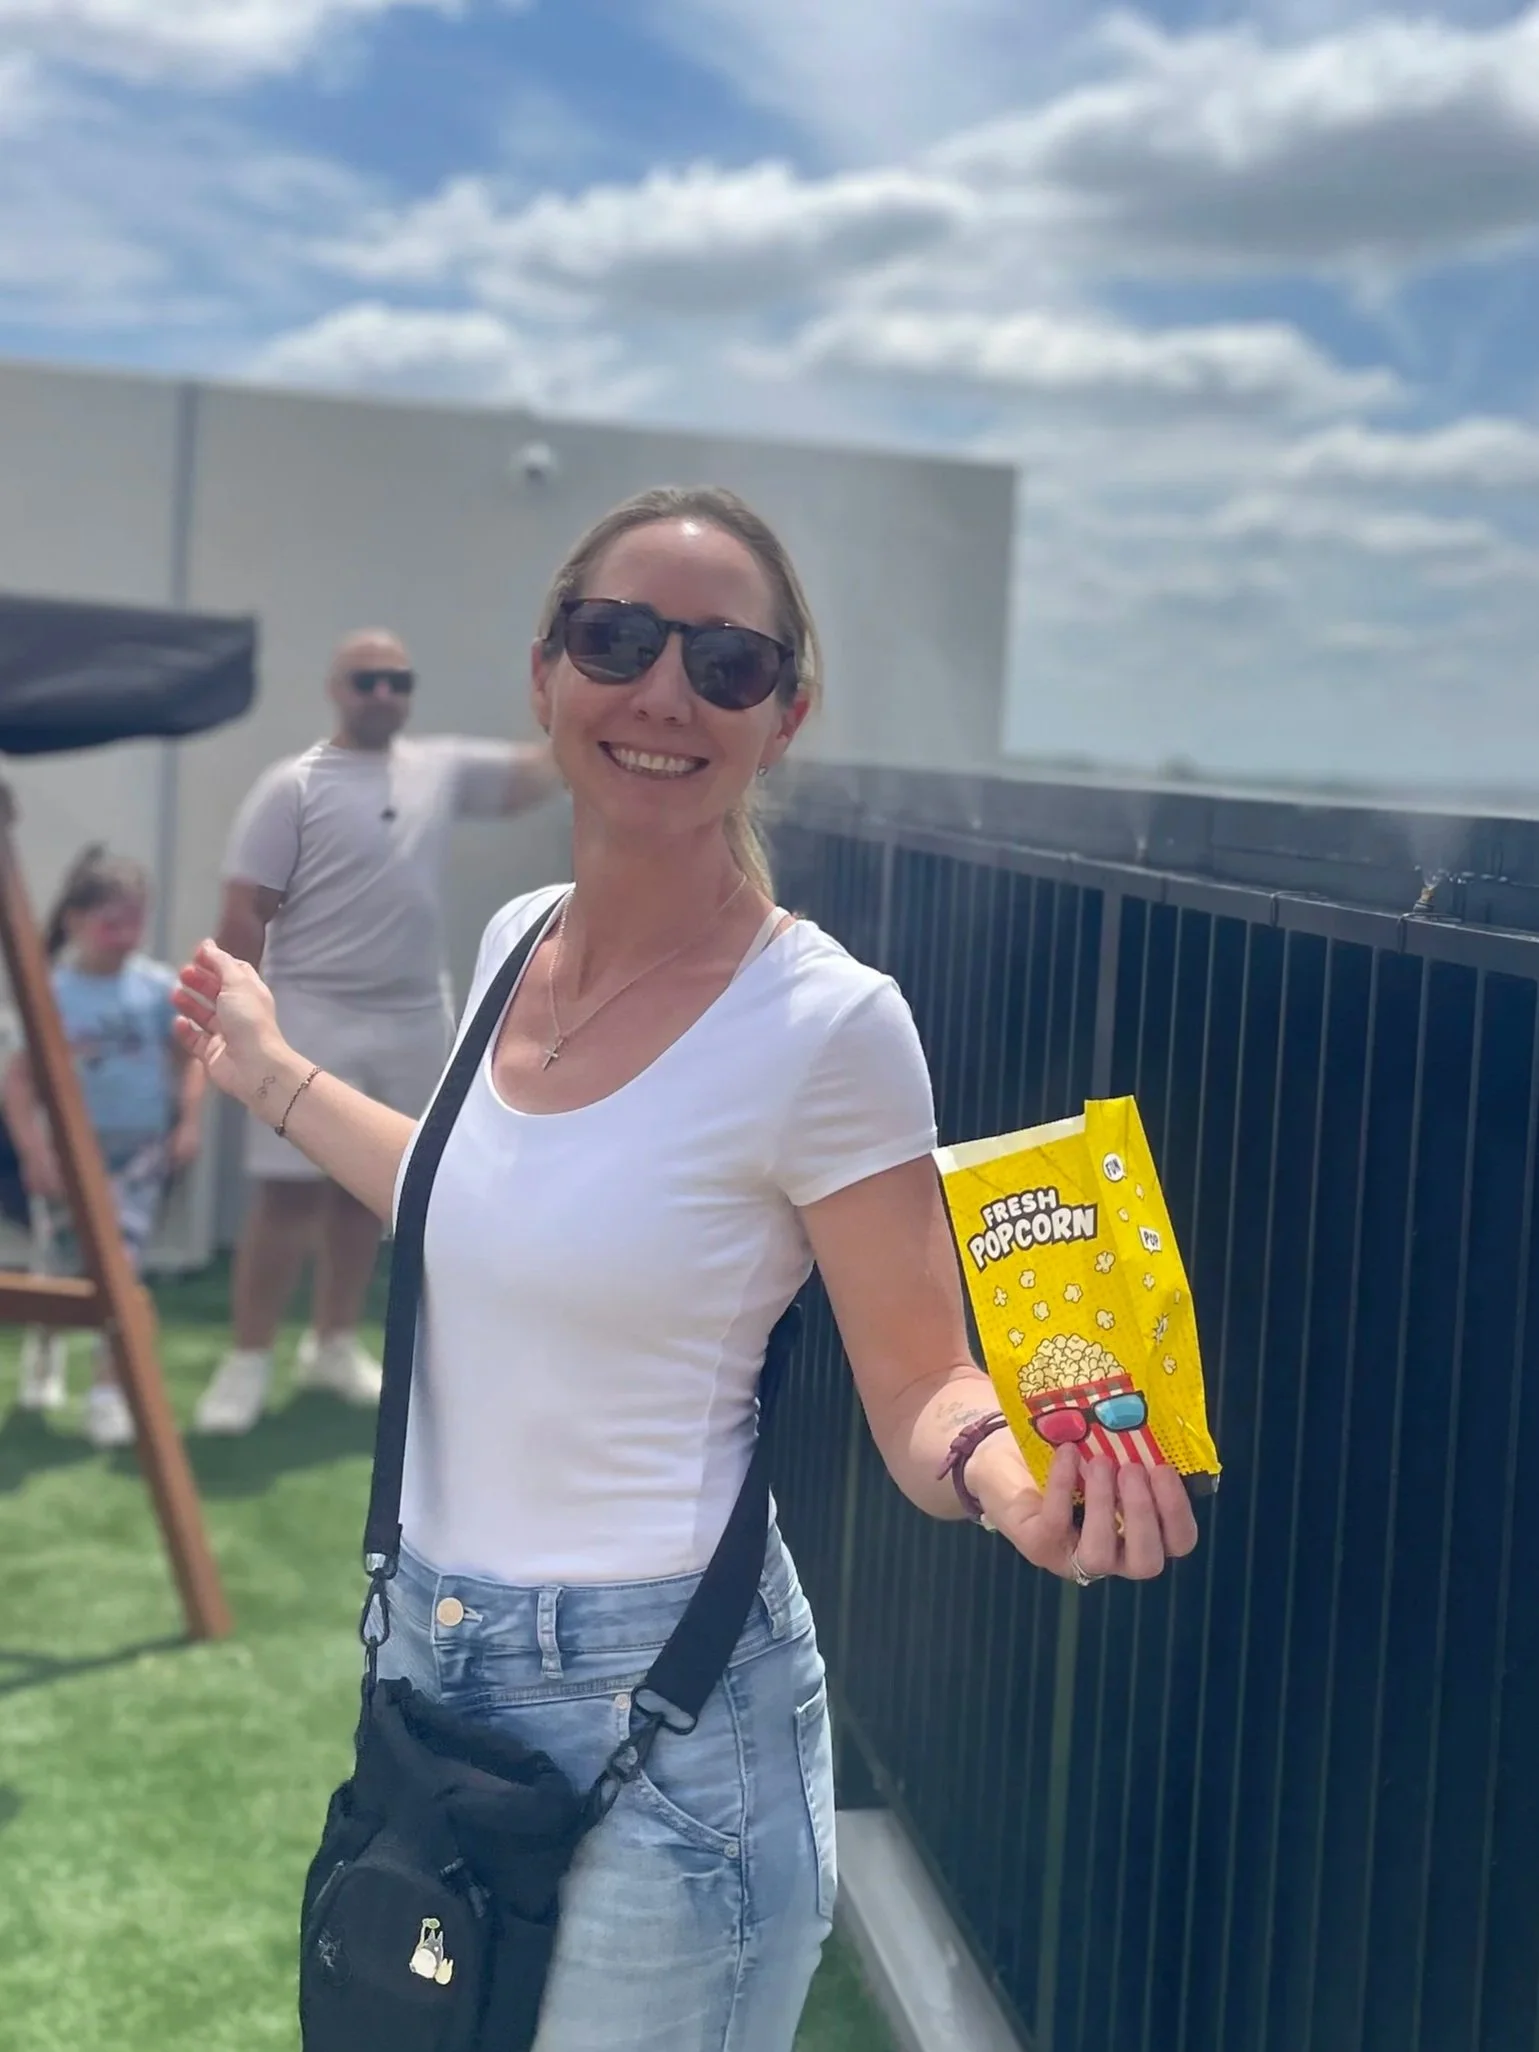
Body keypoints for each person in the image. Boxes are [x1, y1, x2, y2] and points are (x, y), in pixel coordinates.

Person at [173, 487, 1199, 2050]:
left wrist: (1017, 1487)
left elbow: (922, 1373)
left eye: (725, 663)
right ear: (544, 674)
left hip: (663, 1726)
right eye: (616, 639)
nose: (663, 692)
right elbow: (480, 1201)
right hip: (432, 1672)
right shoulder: (519, 938)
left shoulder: (830, 1028)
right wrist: (268, 1076)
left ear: (784, 715)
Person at [193, 627, 560, 1435]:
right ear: (337, 689)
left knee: (378, 1184)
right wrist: (238, 1017)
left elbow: (539, 776)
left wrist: (575, 688)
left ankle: (330, 1344)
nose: (384, 695)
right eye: (367, 682)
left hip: (409, 1014)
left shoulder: (438, 768)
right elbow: (243, 909)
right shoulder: (291, 785)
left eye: (398, 680)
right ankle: (248, 1357)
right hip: (312, 1009)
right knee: (286, 1195)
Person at [6, 847, 203, 1447]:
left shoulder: (155, 988)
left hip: (138, 1153)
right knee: (60, 1264)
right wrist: (34, 1151)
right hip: (72, 1153)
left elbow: (191, 1055)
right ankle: (42, 1360)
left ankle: (108, 1391)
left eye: (134, 920)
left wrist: (188, 1122)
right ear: (75, 921)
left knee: (121, 1266)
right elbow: (18, 1080)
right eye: (110, 921)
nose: (124, 935)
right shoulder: (51, 994)